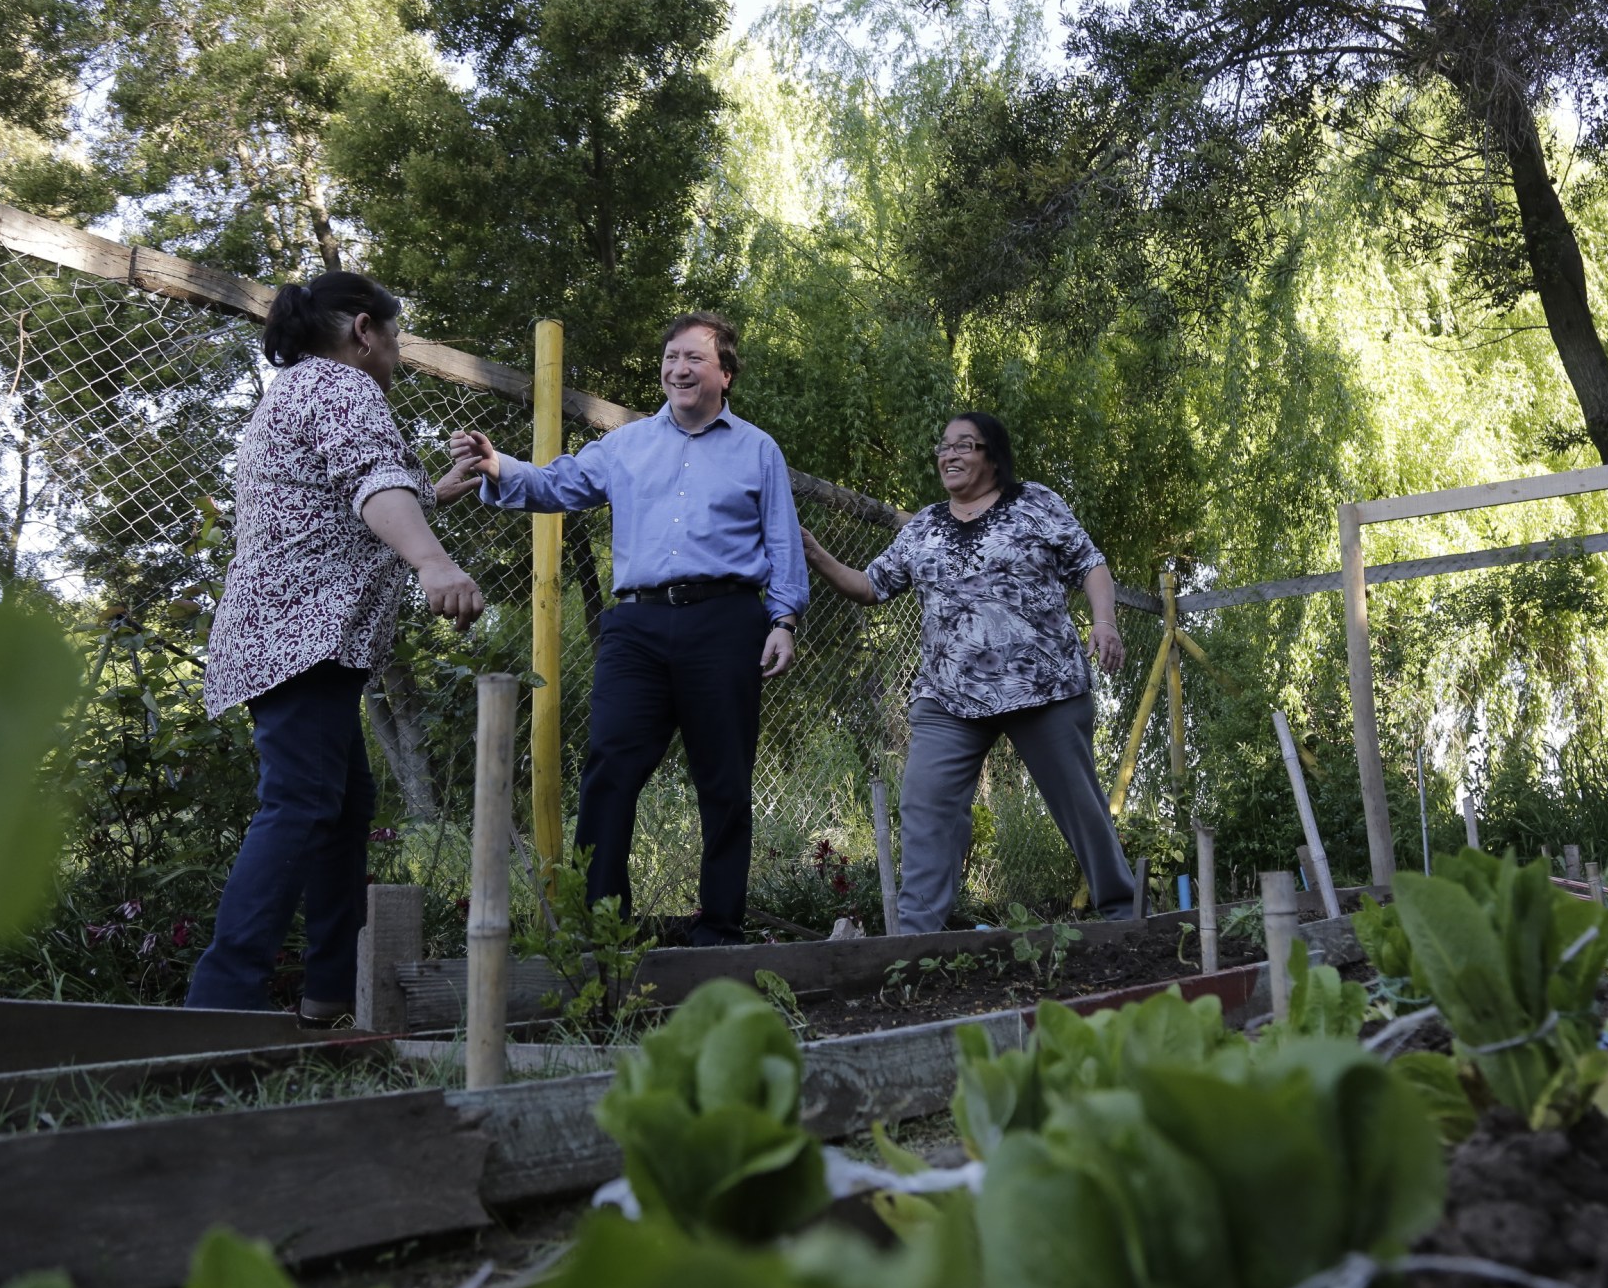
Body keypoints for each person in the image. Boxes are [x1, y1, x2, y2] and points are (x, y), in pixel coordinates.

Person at [449, 311, 807, 947]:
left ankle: (719, 929)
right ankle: (600, 928)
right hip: (636, 626)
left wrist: (783, 619)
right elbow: (554, 485)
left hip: (726, 623)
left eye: (694, 358)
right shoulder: (626, 445)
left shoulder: (758, 450)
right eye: (671, 357)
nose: (679, 368)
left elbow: (783, 543)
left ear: (725, 373)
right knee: (611, 767)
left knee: (724, 778)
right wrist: (497, 466)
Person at [188, 271, 486, 1022]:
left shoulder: (296, 390)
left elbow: (348, 496)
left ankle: (329, 994)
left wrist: (437, 490)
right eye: (396, 336)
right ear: (363, 330)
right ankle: (218, 1006)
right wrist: (435, 563)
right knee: (299, 804)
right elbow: (373, 486)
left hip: (290, 638)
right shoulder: (342, 386)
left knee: (344, 804)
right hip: (300, 638)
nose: (398, 352)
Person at [800, 411, 1137, 933]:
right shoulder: (925, 526)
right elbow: (870, 586)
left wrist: (1105, 622)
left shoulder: (1034, 503)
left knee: (1080, 806)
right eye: (944, 446)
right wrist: (815, 554)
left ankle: (1123, 915)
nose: (949, 455)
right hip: (948, 695)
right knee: (925, 806)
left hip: (1042, 686)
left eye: (964, 445)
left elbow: (1090, 563)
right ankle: (916, 938)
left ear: (993, 457)